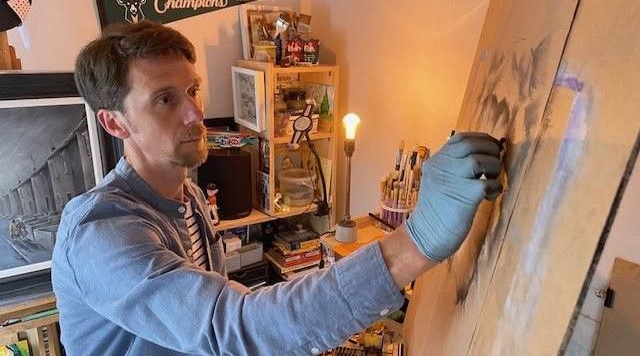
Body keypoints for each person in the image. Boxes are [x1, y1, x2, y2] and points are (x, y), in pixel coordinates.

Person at [51, 21, 503, 355]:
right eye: (165, 99)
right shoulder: (99, 233)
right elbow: (234, 327)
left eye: (193, 90)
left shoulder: (186, 196)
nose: (195, 114)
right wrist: (414, 243)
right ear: (114, 122)